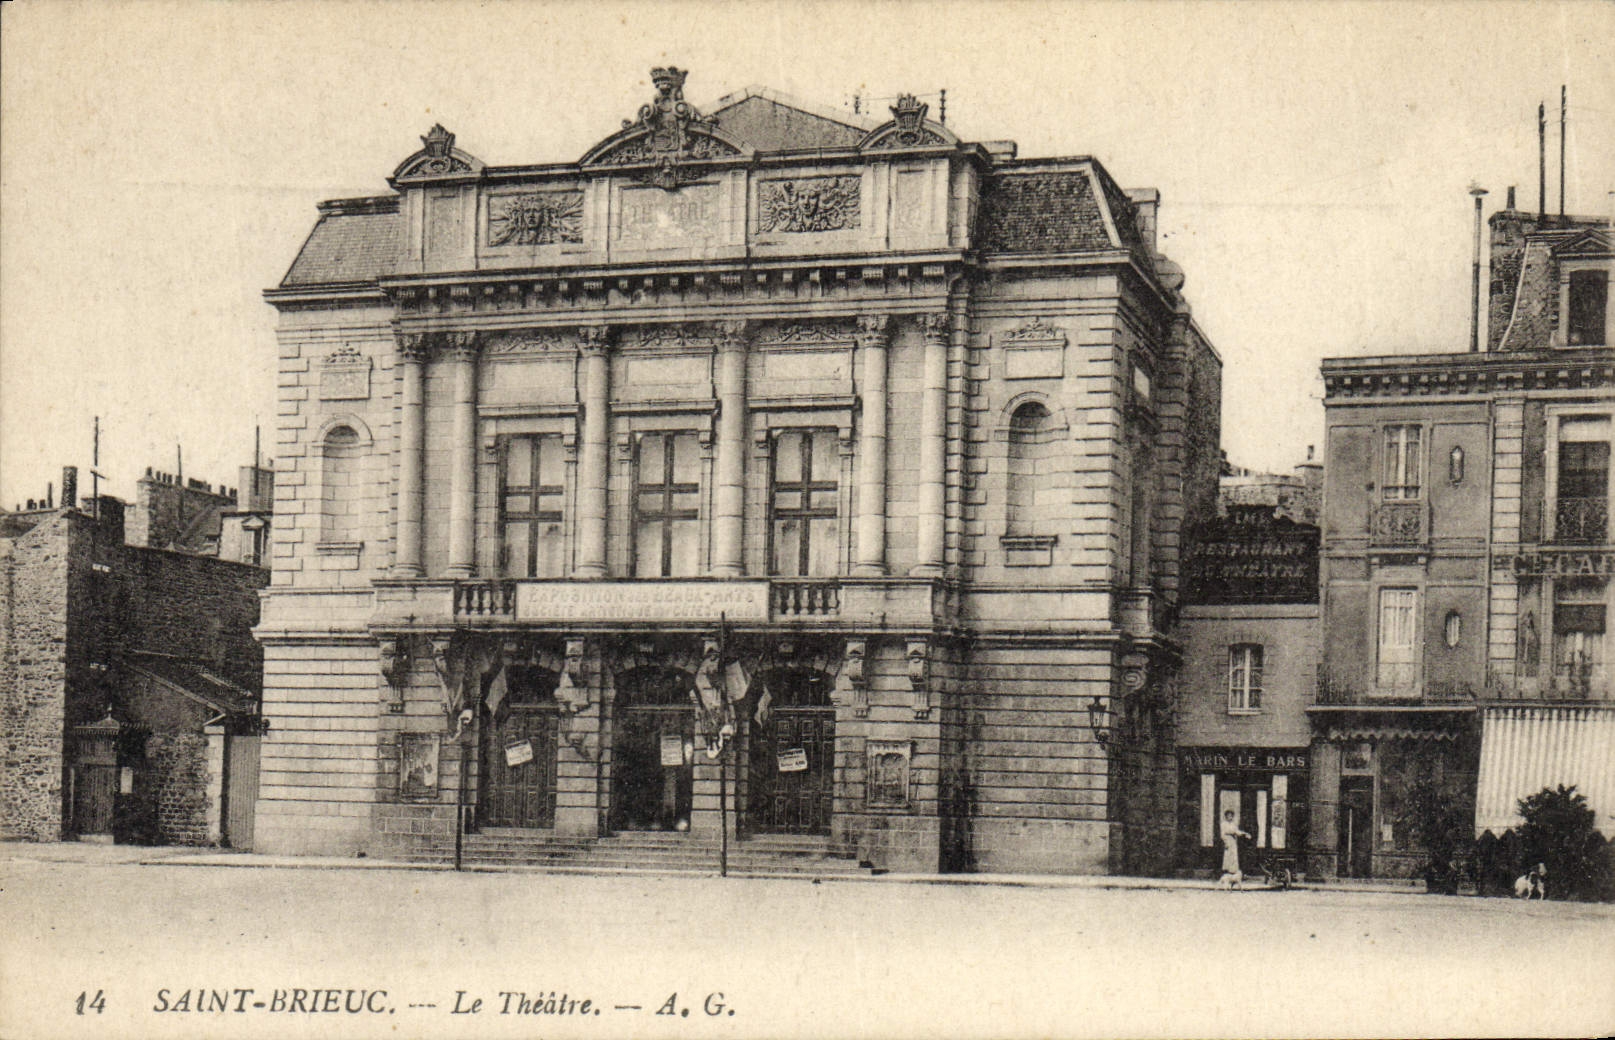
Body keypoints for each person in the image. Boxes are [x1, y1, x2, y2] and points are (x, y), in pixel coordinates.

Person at [1220, 809, 1252, 889]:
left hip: (1233, 841)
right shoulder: (1223, 824)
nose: (1230, 817)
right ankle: (1227, 873)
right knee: (1228, 857)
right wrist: (1225, 842)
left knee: (1234, 857)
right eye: (1228, 816)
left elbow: (1237, 832)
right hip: (1228, 840)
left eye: (1231, 816)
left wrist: (1244, 834)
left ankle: (1233, 873)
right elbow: (1222, 834)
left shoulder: (1233, 824)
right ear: (1226, 816)